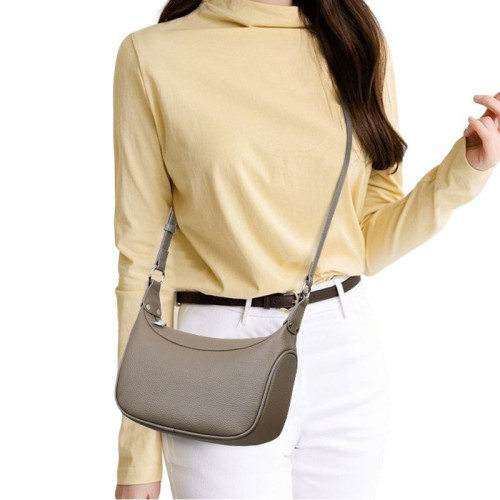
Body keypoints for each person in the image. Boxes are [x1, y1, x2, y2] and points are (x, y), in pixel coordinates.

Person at [112, 0, 499, 498]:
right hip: (215, 355)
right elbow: (141, 262)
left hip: (343, 348)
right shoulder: (153, 56)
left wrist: (463, 172)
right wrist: (137, 455)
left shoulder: (356, 42)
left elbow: (366, 243)